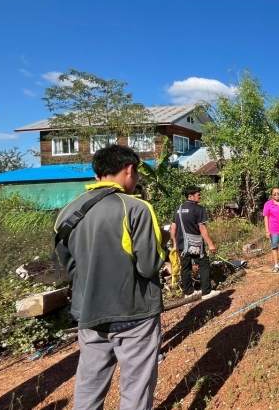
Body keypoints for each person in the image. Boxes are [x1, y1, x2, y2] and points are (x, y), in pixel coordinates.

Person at [54, 144, 165, 410]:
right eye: (137, 173)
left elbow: (68, 266)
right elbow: (148, 267)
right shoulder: (136, 208)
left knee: (89, 383)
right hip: (133, 312)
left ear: (97, 174)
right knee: (136, 387)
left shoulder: (68, 211)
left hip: (88, 312)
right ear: (129, 169)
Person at [171, 186, 219, 300]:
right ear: (190, 196)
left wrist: (175, 243)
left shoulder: (178, 209)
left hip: (181, 244)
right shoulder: (198, 208)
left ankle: (188, 293)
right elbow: (202, 228)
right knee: (204, 264)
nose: (200, 196)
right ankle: (206, 292)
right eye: (198, 195)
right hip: (195, 244)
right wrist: (210, 244)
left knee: (185, 268)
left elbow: (173, 228)